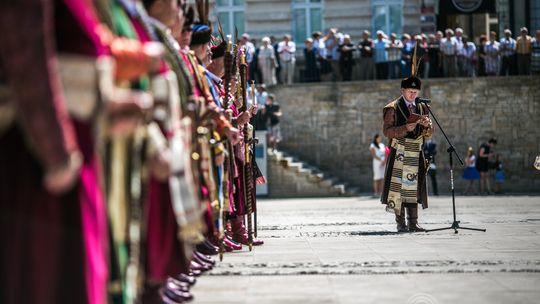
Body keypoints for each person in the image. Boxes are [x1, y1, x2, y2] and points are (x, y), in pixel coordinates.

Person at [381, 67, 434, 233]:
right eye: (410, 91)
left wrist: (427, 127)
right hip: (400, 152)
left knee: (414, 187)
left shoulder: (422, 107)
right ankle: (401, 223)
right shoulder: (393, 108)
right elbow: (387, 131)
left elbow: (430, 134)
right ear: (403, 90)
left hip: (416, 151)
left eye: (415, 91)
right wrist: (406, 127)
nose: (412, 94)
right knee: (398, 188)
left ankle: (413, 222)